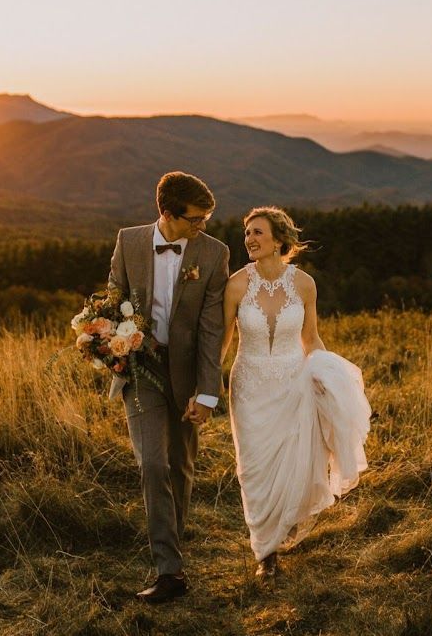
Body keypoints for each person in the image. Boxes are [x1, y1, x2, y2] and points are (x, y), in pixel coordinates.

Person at [222, 206, 370, 578]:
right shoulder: (237, 284)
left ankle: (280, 527)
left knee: (288, 462)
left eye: (258, 232)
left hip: (292, 381)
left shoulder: (304, 284)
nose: (250, 240)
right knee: (253, 467)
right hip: (248, 386)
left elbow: (310, 337)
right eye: (247, 233)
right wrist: (204, 383)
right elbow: (223, 341)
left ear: (278, 240)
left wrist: (323, 373)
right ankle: (265, 552)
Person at [106, 172, 230, 604]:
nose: (202, 226)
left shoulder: (215, 254)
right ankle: (170, 571)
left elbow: (212, 329)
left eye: (206, 218)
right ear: (167, 212)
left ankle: (171, 547)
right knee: (153, 465)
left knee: (180, 468)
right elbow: (112, 300)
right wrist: (111, 340)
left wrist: (208, 392)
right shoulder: (129, 240)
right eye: (195, 219)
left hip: (188, 375)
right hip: (140, 371)